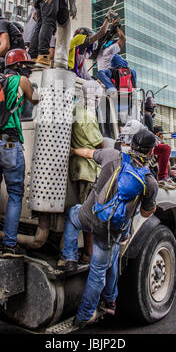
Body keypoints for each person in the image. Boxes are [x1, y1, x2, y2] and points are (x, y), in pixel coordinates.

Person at [58, 128, 158, 329]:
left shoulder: (112, 155)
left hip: (88, 217)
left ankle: (69, 258)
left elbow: (87, 153)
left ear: (131, 144)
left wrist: (72, 150)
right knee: (98, 272)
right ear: (150, 152)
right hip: (110, 231)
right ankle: (85, 315)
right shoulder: (149, 181)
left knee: (71, 215)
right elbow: (147, 214)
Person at [0, 48, 39, 259]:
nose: (29, 69)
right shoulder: (20, 80)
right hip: (9, 145)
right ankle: (10, 245)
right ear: (19, 65)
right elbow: (36, 100)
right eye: (27, 65)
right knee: (15, 194)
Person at [69, 81, 104, 262]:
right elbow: (100, 144)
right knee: (88, 213)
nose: (97, 101)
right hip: (88, 169)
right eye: (95, 97)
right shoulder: (87, 117)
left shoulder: (74, 109)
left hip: (77, 167)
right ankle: (89, 253)